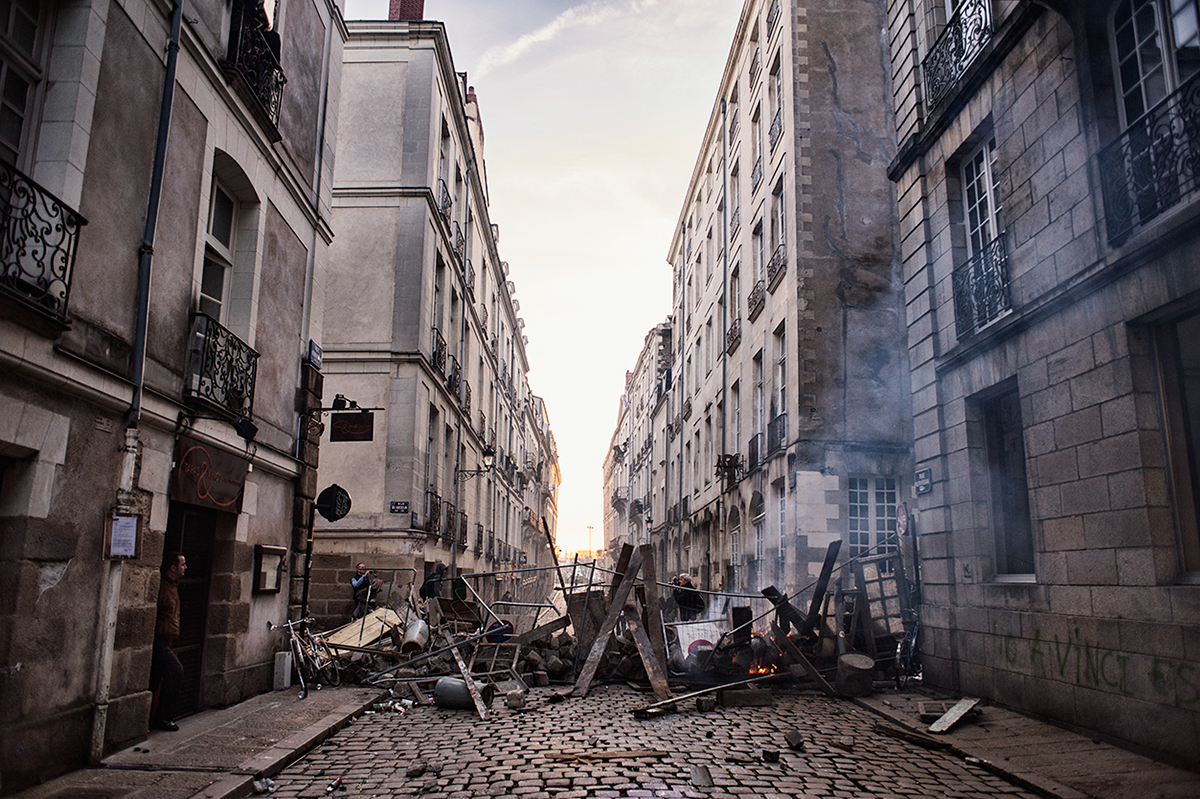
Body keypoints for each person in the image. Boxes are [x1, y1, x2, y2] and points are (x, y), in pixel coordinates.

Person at [149, 553, 186, 732]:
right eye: (182, 564)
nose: (185, 567)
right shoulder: (162, 587)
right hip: (159, 639)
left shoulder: (171, 586)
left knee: (154, 679)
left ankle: (149, 718)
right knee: (175, 671)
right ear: (173, 567)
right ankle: (162, 718)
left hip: (168, 639)